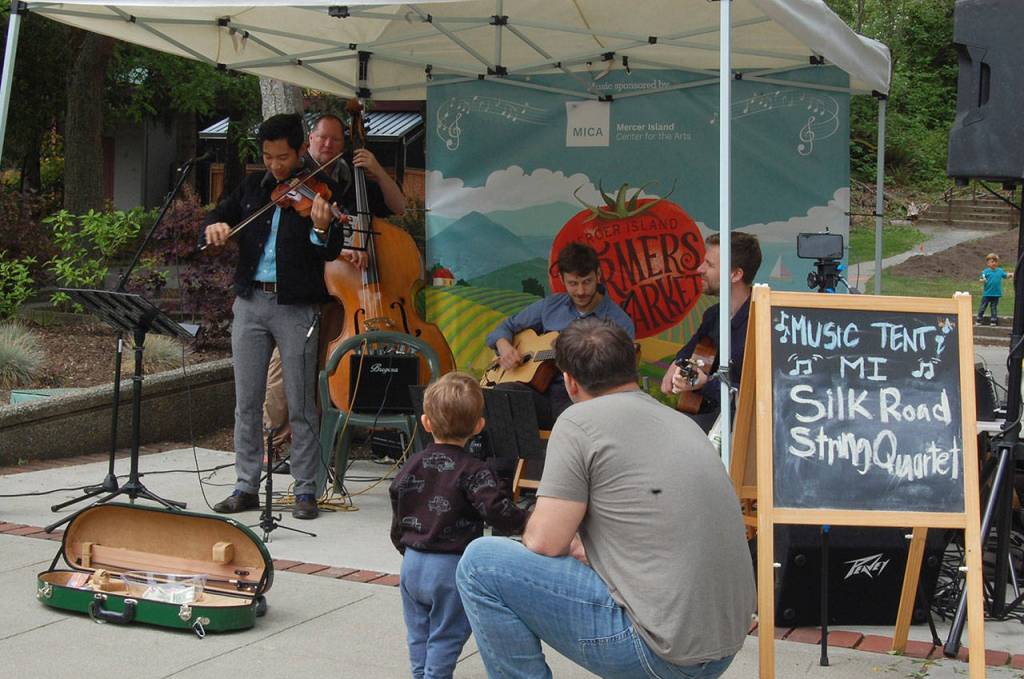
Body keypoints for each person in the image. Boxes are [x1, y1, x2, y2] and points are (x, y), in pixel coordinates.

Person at [456, 318, 755, 678]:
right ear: (632, 365)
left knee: (481, 563)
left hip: (661, 655)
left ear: (568, 381)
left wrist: (561, 530)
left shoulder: (578, 421)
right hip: (721, 649)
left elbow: (542, 541)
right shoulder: (681, 422)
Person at [203, 113, 346, 520]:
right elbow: (219, 213)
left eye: (282, 157)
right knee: (245, 401)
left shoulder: (324, 190)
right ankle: (245, 485)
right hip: (250, 302)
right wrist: (213, 227)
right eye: (267, 157)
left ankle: (305, 489)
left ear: (301, 150)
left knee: (301, 402)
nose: (275, 166)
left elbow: (330, 248)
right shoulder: (253, 187)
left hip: (296, 305)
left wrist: (320, 228)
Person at [262, 112, 408, 456]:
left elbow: (399, 207)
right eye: (321, 137)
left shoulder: (350, 179)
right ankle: (272, 443)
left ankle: (317, 441)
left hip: (345, 297)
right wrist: (343, 251)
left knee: (329, 368)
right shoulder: (293, 178)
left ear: (344, 144)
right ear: (309, 140)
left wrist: (377, 169)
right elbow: (295, 237)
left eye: (336, 139)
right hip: (305, 290)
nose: (327, 144)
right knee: (287, 369)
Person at [390, 372, 529, 679]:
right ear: (479, 426)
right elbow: (495, 510)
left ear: (426, 422)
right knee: (446, 635)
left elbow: (397, 502)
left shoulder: (412, 464)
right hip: (450, 566)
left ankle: (420, 675)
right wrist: (527, 521)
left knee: (418, 633)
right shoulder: (475, 470)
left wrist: (404, 544)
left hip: (412, 563)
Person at [485, 242, 634, 428]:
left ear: (598, 275)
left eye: (587, 281)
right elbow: (505, 327)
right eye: (573, 283)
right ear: (562, 280)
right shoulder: (550, 306)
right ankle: (511, 458)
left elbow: (621, 379)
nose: (581, 291)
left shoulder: (618, 322)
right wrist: (504, 346)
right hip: (540, 396)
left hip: (583, 401)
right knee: (502, 395)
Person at [661, 231, 762, 433]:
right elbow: (687, 354)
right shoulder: (713, 316)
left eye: (710, 264)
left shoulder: (760, 323)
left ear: (735, 275)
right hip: (705, 419)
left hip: (742, 432)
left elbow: (754, 395)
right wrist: (679, 366)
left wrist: (704, 384)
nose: (700, 269)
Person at [977, 252, 1013, 326]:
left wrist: (1010, 275)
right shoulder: (985, 272)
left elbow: (1005, 275)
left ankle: (993, 320)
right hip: (987, 293)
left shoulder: (1000, 271)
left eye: (995, 261)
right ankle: (979, 319)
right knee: (983, 306)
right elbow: (981, 279)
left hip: (996, 293)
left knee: (994, 307)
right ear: (988, 263)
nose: (994, 263)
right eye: (992, 262)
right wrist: (982, 280)